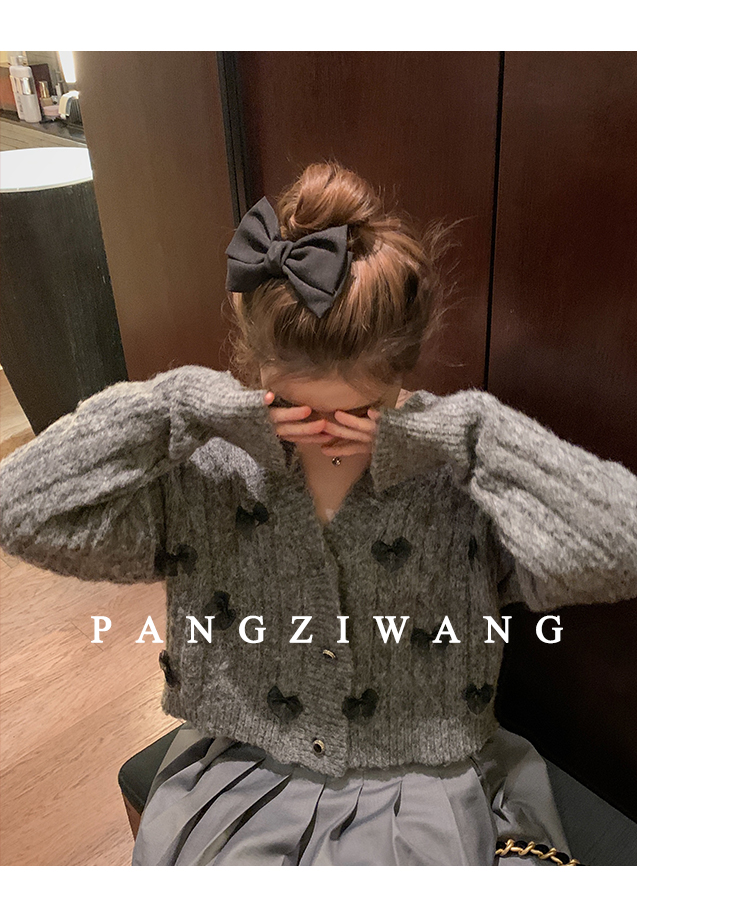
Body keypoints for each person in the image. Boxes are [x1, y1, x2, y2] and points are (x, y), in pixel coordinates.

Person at [0, 161, 636, 866]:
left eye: (360, 410)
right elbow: (20, 509)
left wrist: (473, 435)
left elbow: (629, 542)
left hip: (423, 783)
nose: (328, 434)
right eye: (295, 408)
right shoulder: (209, 473)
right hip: (243, 771)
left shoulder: (457, 480)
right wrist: (172, 406)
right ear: (255, 368)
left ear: (402, 371)